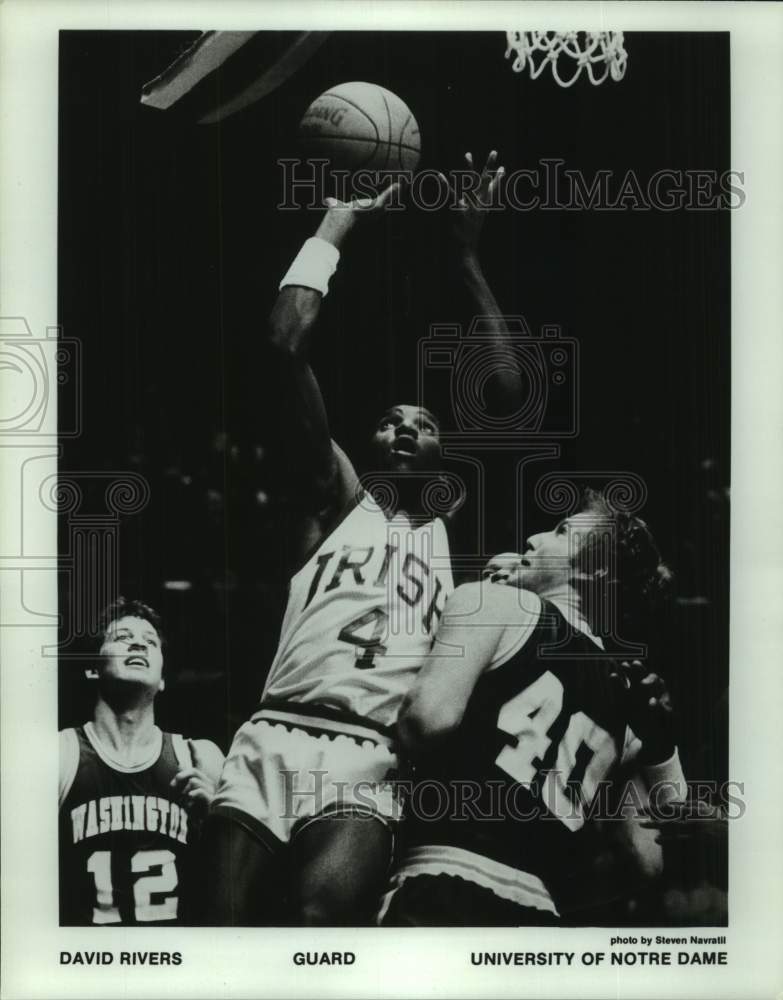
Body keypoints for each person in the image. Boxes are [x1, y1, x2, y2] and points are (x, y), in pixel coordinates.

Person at [203, 151, 524, 925]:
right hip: (271, 735)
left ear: (444, 451)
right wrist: (337, 219)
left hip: (369, 758)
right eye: (389, 420)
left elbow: (506, 392)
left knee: (321, 934)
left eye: (423, 422)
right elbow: (283, 345)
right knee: (212, 939)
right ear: (367, 441)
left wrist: (464, 259)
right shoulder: (333, 498)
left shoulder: (458, 538)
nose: (404, 427)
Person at [380, 489, 686, 925]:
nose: (534, 538)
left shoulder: (494, 603)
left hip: (440, 876)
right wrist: (663, 751)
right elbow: (649, 861)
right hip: (540, 913)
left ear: (596, 569)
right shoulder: (629, 695)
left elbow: (422, 725)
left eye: (562, 531)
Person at [59, 598, 224, 925]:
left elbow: (232, 890)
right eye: (122, 638)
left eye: (150, 641)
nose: (138, 643)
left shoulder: (200, 758)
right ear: (93, 667)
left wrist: (215, 828)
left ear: (162, 678)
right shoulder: (60, 754)